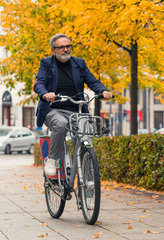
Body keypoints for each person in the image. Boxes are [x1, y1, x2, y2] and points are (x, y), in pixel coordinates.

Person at [34, 33, 112, 176]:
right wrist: (45, 94)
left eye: (68, 46)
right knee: (62, 124)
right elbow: (39, 83)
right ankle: (53, 159)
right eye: (61, 47)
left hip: (77, 110)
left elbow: (93, 81)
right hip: (53, 110)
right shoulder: (46, 63)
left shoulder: (79, 63)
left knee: (85, 136)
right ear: (53, 50)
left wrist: (104, 91)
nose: (65, 50)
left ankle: (86, 166)